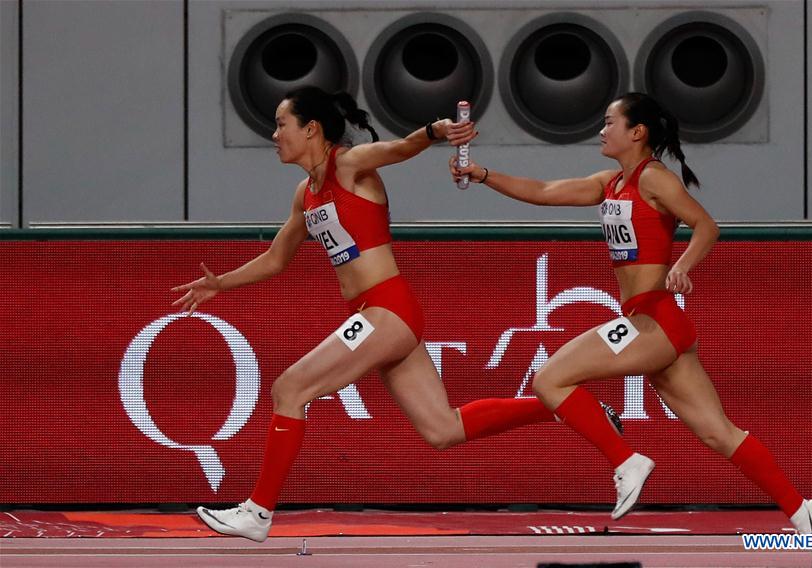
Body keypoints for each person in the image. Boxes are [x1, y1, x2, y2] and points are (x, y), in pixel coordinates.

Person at [449, 92, 812, 568]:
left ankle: (626, 459)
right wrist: (481, 174)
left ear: (637, 132)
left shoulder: (655, 179)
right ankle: (803, 510)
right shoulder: (609, 183)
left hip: (654, 319)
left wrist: (682, 265)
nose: (601, 130)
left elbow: (706, 226)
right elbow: (544, 190)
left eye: (610, 122)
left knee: (549, 379)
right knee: (719, 434)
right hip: (656, 326)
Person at [172, 86, 557, 542]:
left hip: (386, 309)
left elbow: (400, 148)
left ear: (310, 129)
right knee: (442, 429)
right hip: (382, 315)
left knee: (289, 388)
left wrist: (435, 131)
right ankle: (562, 406)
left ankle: (257, 512)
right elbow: (276, 258)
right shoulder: (305, 193)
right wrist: (220, 283)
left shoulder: (349, 165)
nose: (274, 135)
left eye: (281, 125)